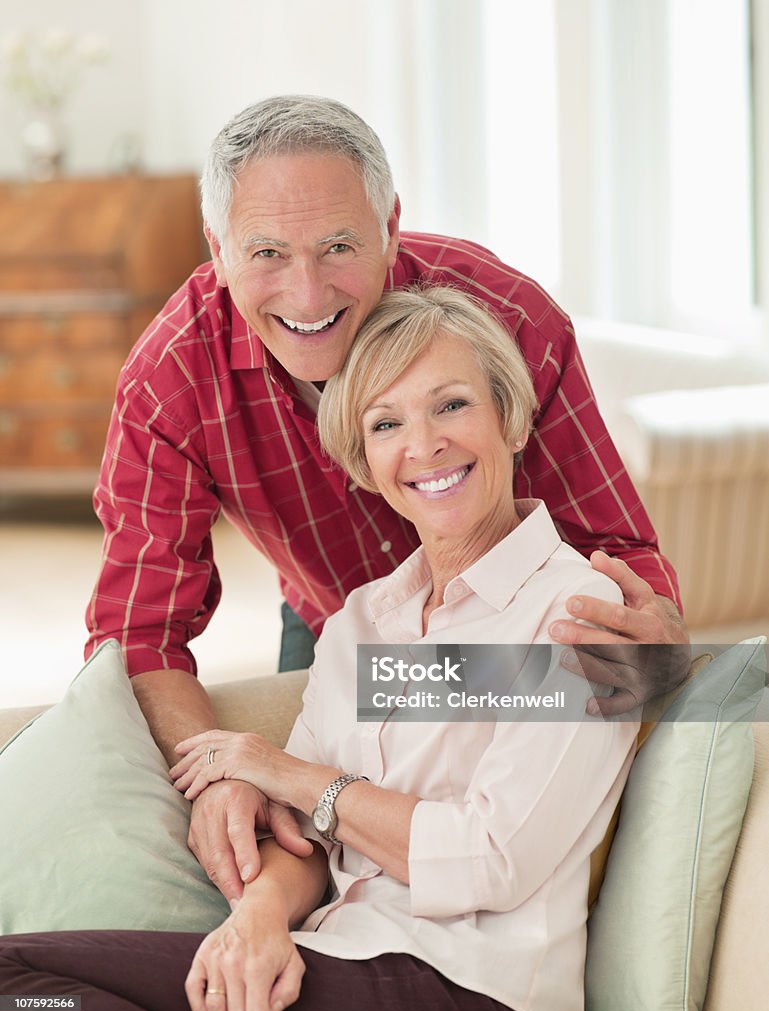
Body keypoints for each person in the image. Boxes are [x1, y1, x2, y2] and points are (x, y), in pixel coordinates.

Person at [84, 94, 689, 904]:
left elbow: (616, 550)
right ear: (218, 250)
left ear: (390, 225)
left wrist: (651, 634)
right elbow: (138, 635)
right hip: (336, 620)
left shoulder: (508, 319)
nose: (306, 294)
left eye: (338, 245)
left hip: (514, 624)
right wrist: (218, 776)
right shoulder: (172, 379)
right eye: (266, 252)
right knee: (321, 868)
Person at [1, 287, 641, 1011]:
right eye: (385, 422)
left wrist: (286, 772)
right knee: (21, 984)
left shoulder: (575, 614)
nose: (423, 444)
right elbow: (301, 833)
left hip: (466, 990)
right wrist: (257, 918)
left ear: (512, 417)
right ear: (364, 459)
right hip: (334, 962)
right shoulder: (361, 627)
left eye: (453, 405)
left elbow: (489, 858)